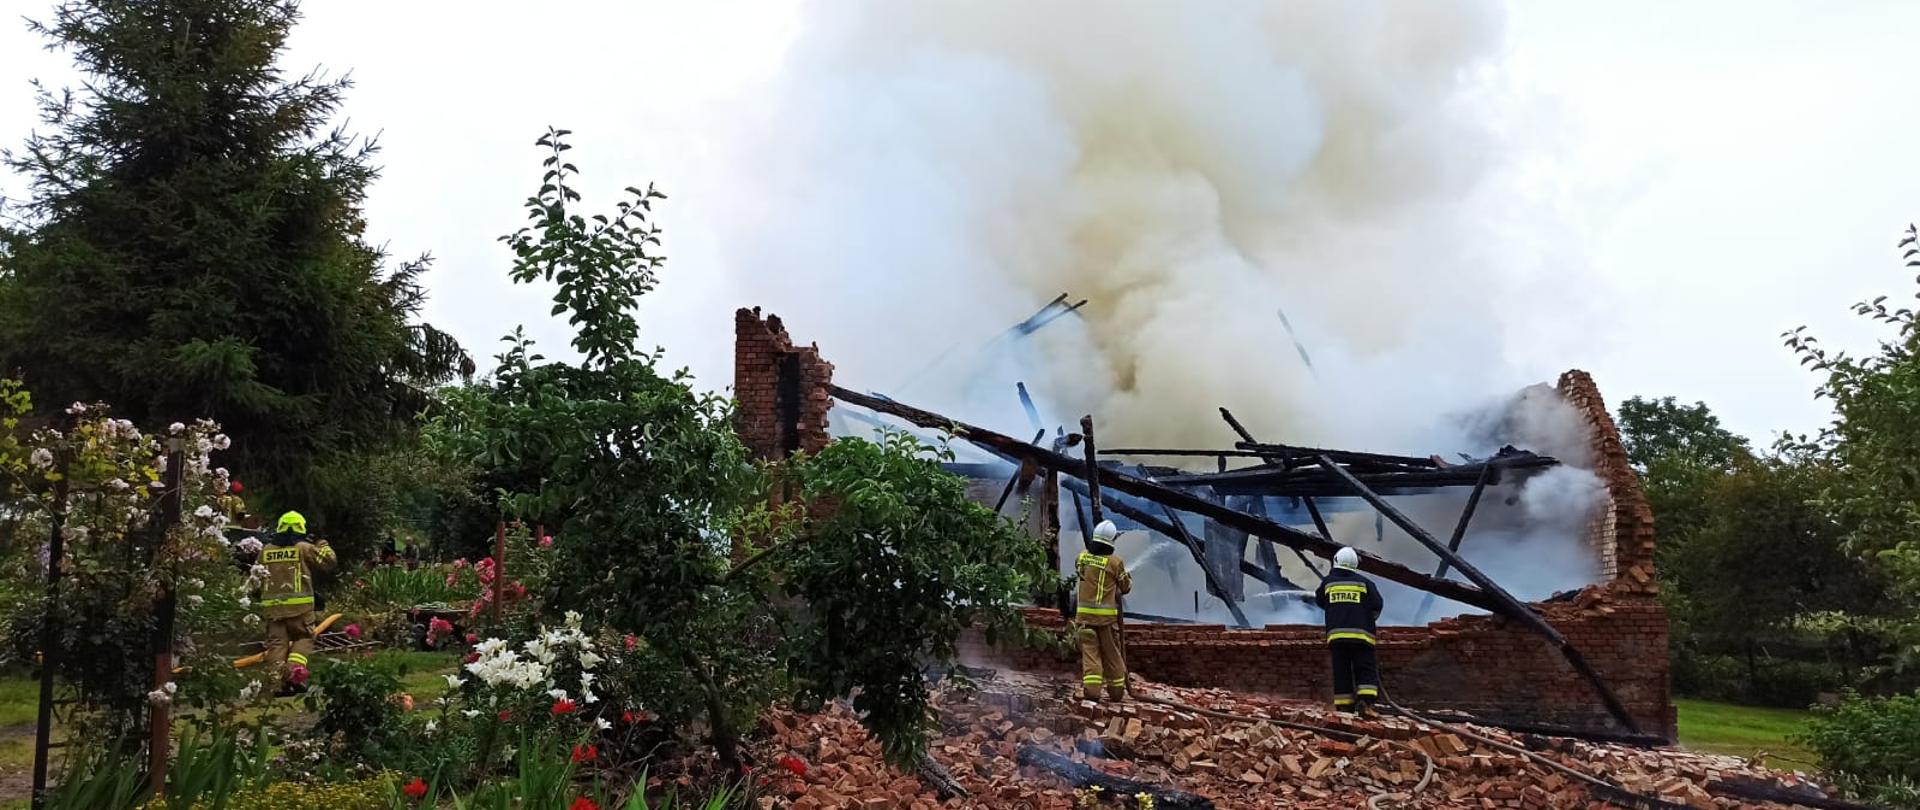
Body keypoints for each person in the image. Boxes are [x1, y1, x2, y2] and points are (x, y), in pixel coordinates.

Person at [259, 511, 337, 694]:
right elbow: (329, 561)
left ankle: (276, 685)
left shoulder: (266, 550)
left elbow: (256, 577)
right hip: (300, 609)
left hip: (273, 610)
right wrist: (322, 544)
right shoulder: (303, 548)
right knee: (304, 638)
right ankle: (294, 675)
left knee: (276, 645)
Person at [1314, 546, 1384, 715]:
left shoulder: (1328, 582)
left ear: (1336, 561)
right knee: (1365, 669)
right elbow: (1377, 604)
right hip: (1362, 637)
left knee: (1341, 671)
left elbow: (1320, 601)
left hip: (1337, 637)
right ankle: (1366, 704)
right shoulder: (1365, 583)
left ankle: (1344, 707)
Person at [1075, 520, 1132, 702]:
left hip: (1084, 618)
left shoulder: (1082, 557)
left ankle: (1092, 693)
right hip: (1106, 621)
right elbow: (1126, 586)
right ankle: (1116, 693)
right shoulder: (1115, 563)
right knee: (1112, 655)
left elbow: (1081, 573)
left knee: (1091, 655)